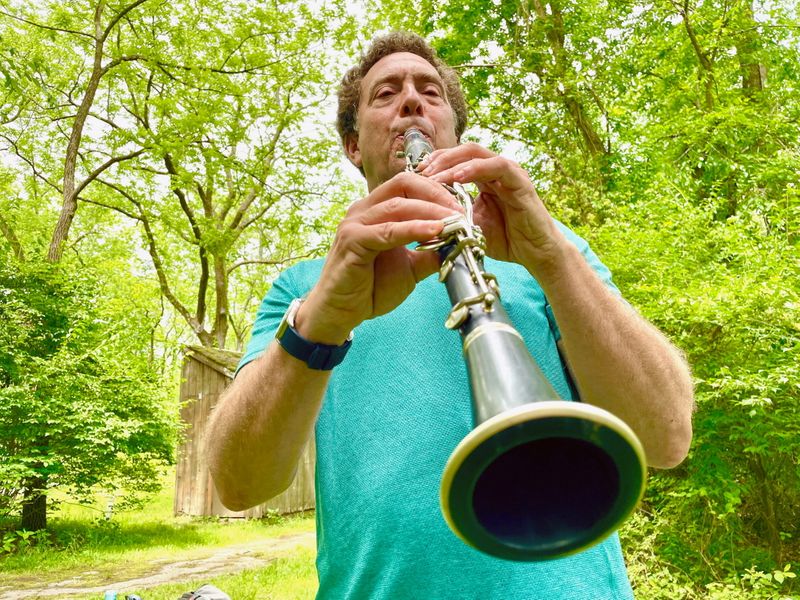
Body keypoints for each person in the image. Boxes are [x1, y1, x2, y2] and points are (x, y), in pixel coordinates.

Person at [206, 32, 694, 599]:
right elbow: (238, 485)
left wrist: (553, 258)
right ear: (352, 146)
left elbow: (666, 438)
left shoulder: (548, 252)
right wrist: (318, 323)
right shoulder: (305, 290)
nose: (412, 101)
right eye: (385, 93)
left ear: (453, 133)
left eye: (430, 92)